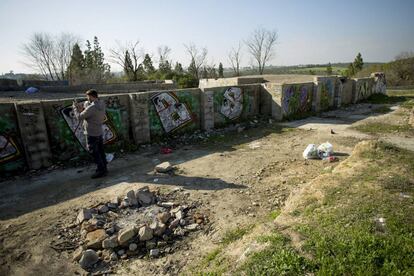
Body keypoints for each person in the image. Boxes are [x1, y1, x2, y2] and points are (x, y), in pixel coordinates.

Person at [74, 89, 108, 178]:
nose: (87, 99)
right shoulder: (101, 103)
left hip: (91, 133)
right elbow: (91, 112)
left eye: (88, 97)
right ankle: (104, 168)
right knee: (100, 151)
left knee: (94, 152)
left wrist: (75, 108)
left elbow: (79, 117)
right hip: (99, 132)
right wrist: (85, 108)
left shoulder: (91, 108)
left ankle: (101, 170)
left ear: (91, 97)